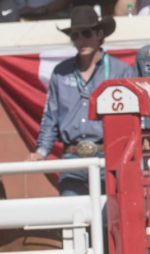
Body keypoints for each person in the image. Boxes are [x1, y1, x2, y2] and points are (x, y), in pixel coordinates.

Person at [29, 7, 134, 196]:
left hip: (110, 153)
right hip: (72, 156)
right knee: (73, 213)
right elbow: (50, 116)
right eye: (75, 36)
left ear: (99, 33)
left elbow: (134, 117)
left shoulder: (121, 71)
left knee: (108, 216)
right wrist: (42, 151)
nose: (81, 41)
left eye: (86, 33)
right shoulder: (61, 72)